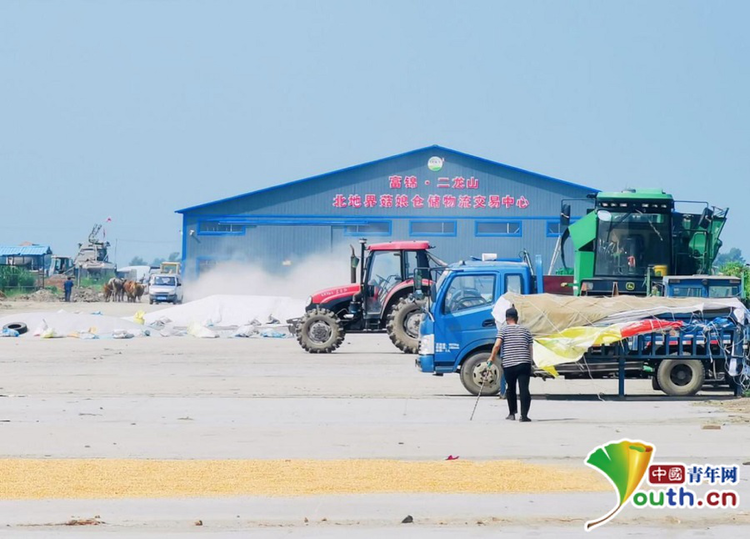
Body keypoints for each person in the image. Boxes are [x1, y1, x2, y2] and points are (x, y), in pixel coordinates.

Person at [487, 307, 533, 422]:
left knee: (510, 389)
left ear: (507, 318)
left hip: (509, 364)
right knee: (524, 389)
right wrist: (530, 362)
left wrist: (491, 358)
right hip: (524, 363)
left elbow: (497, 345)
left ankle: (512, 414)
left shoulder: (503, 330)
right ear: (517, 318)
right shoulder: (526, 330)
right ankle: (524, 416)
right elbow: (530, 348)